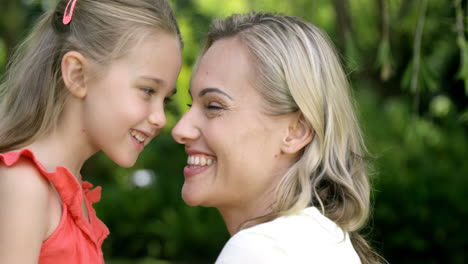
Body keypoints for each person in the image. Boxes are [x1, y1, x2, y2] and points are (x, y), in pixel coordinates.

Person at [172, 12, 383, 264]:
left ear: (296, 131)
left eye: (214, 106)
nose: (180, 129)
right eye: (190, 104)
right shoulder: (316, 242)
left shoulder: (260, 249)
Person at [0, 0, 182, 263]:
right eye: (148, 91)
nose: (160, 118)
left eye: (165, 99)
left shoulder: (71, 197)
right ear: (78, 75)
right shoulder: (24, 185)